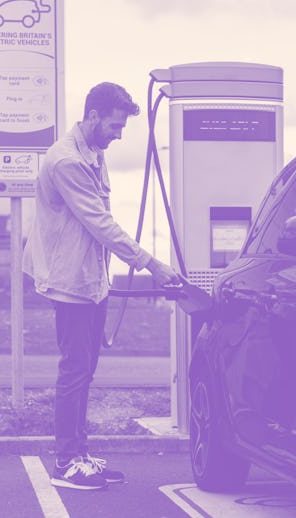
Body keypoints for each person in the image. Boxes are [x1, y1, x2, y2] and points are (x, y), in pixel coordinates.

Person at [23, 82, 180, 490]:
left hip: (92, 279)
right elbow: (99, 222)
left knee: (86, 370)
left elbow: (98, 223)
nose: (118, 134)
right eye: (114, 125)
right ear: (92, 116)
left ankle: (80, 454)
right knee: (74, 370)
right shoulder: (67, 161)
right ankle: (65, 462)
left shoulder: (94, 152)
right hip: (70, 280)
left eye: (122, 127)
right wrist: (151, 264)